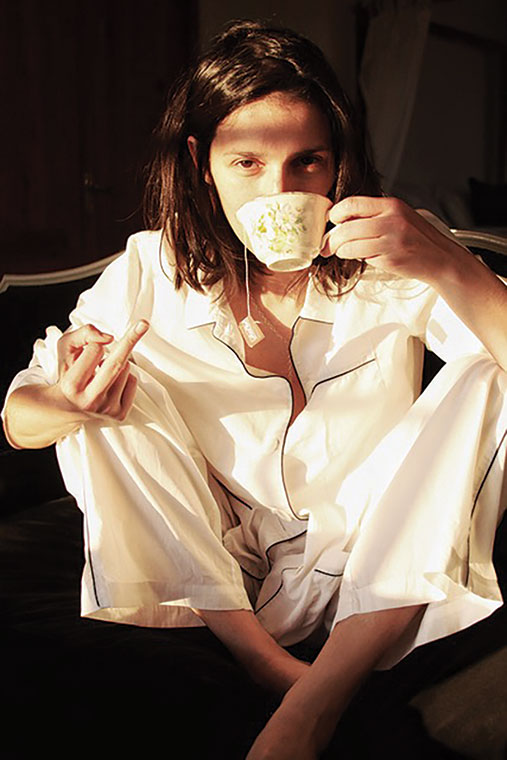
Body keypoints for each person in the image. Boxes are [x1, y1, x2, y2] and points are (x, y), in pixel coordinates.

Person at [3, 20, 507, 760]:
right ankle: (263, 662)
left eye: (308, 162)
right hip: (218, 573)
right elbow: (20, 418)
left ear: (338, 164)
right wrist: (66, 403)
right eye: (247, 162)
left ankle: (315, 700)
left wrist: (453, 266)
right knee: (112, 388)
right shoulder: (150, 268)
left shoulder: (395, 253)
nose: (280, 190)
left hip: (373, 557)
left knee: (490, 370)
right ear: (201, 164)